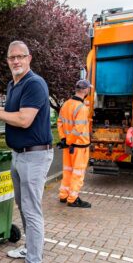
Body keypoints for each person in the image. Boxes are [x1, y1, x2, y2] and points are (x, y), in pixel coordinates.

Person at [0, 40, 53, 263]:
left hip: (35, 156)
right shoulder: (13, 85)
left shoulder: (34, 83)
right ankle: (28, 249)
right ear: (8, 60)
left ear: (29, 58)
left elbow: (24, 119)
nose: (17, 61)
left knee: (32, 212)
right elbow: (11, 112)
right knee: (23, 206)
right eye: (12, 57)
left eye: (21, 56)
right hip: (18, 155)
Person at [56, 79, 92, 208]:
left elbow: (59, 122)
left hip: (68, 146)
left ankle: (63, 195)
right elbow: (78, 129)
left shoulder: (66, 104)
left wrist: (64, 140)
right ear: (86, 90)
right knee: (78, 173)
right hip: (79, 147)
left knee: (67, 171)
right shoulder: (82, 108)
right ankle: (73, 199)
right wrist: (69, 141)